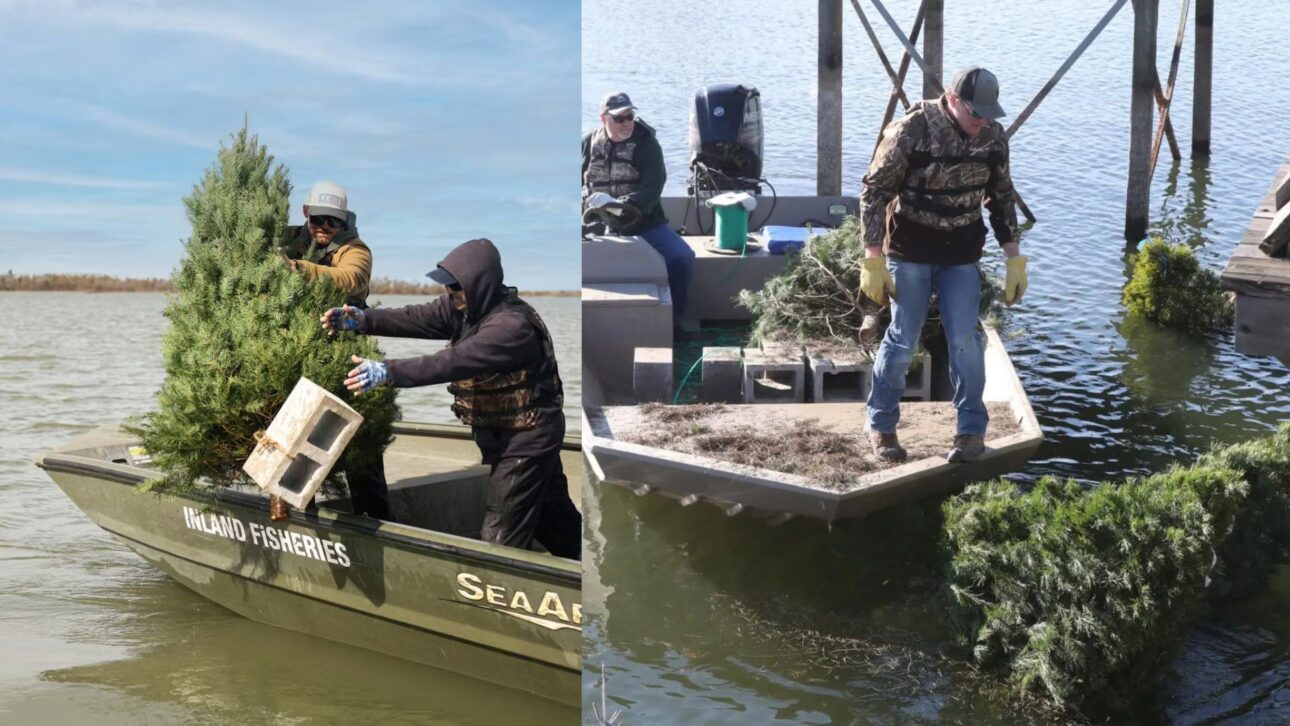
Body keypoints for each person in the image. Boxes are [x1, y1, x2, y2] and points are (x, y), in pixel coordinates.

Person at [322, 238, 581, 560]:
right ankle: (588, 572)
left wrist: (387, 372)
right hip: (507, 435)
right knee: (553, 520)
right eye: (448, 287)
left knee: (501, 538)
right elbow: (414, 317)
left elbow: (450, 362)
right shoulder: (466, 309)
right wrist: (362, 319)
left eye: (457, 287)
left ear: (479, 284)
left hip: (526, 441)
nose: (450, 294)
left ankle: (497, 595)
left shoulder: (511, 327)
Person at [858, 67, 1029, 464]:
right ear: (952, 100)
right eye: (975, 113)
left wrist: (1013, 256)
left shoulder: (992, 137)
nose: (981, 121)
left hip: (961, 251)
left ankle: (970, 430)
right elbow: (874, 191)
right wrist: (872, 258)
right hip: (911, 247)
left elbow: (1001, 197)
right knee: (903, 338)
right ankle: (881, 425)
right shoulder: (911, 130)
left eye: (988, 114)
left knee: (966, 340)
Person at [283, 181, 389, 519]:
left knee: (361, 450)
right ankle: (299, 519)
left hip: (346, 357)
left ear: (345, 221)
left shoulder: (356, 250)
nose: (325, 228)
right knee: (296, 444)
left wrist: (295, 268)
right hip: (300, 354)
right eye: (318, 220)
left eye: (334, 221)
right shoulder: (290, 238)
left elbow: (349, 279)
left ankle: (376, 523)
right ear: (305, 213)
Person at [582, 91, 695, 327]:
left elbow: (651, 192)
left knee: (682, 257)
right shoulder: (588, 143)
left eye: (630, 116)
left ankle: (674, 321)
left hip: (643, 222)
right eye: (619, 118)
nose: (627, 123)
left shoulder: (647, 145)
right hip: (597, 223)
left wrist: (615, 205)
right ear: (604, 119)